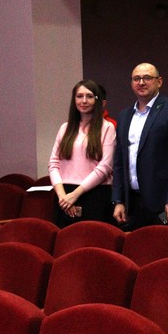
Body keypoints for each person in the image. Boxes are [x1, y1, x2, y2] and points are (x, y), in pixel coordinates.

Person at [112, 63, 168, 230]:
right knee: (135, 246)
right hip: (132, 203)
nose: (141, 82)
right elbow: (119, 161)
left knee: (165, 245)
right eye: (136, 79)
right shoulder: (125, 115)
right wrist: (118, 200)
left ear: (159, 81)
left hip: (164, 204)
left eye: (147, 78)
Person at [48, 80, 116, 227]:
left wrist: (75, 194)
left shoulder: (107, 128)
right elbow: (53, 164)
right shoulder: (65, 128)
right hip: (64, 196)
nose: (84, 101)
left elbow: (105, 167)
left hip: (94, 194)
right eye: (79, 96)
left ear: (97, 100)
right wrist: (62, 196)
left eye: (89, 96)